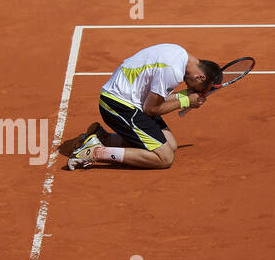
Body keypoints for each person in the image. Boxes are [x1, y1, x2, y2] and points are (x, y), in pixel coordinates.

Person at [67, 43, 220, 170]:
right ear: (201, 77)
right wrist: (185, 101)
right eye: (198, 88)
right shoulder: (173, 72)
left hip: (129, 99)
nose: (191, 88)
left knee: (171, 145)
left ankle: (103, 138)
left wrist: (185, 96)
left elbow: (156, 99)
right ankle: (94, 152)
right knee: (165, 157)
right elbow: (151, 109)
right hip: (117, 105)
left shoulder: (179, 53)